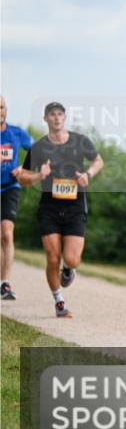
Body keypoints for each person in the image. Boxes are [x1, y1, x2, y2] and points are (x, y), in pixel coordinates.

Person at [18, 102, 104, 318]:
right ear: (45, 119)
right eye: (51, 115)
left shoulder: (79, 141)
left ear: (64, 118)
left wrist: (88, 175)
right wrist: (39, 175)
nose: (56, 118)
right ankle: (59, 301)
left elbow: (98, 161)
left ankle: (69, 270)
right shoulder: (38, 147)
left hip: (75, 206)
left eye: (59, 114)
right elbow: (23, 177)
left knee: (72, 259)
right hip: (49, 208)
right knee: (52, 257)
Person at [1, 95, 33, 300]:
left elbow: (37, 149)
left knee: (7, 233)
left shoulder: (16, 133)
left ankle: (5, 284)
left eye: (2, 107)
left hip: (10, 187)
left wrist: (24, 167)